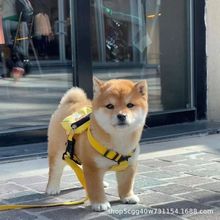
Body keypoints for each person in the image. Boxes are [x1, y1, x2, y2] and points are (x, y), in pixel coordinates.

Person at [0, 0, 33, 79]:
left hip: (7, 22)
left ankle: (13, 65)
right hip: (21, 22)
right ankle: (22, 62)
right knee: (16, 44)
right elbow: (30, 9)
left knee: (6, 45)